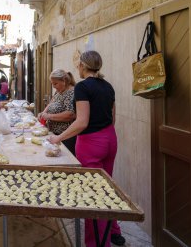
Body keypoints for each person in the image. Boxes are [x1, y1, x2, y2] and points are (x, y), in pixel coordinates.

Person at [48, 51, 126, 247]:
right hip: (109, 139)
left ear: (83, 66)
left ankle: (97, 243)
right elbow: (112, 119)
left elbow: (81, 122)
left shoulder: (82, 87)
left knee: (91, 195)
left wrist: (58, 137)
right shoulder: (108, 86)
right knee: (107, 188)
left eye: (78, 65)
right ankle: (113, 231)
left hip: (91, 143)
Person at [37, 69, 76, 155]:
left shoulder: (71, 92)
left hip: (65, 137)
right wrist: (43, 113)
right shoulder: (59, 91)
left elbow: (70, 114)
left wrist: (49, 116)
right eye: (52, 83)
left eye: (55, 83)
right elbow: (51, 103)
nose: (53, 86)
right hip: (55, 134)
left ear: (64, 81)